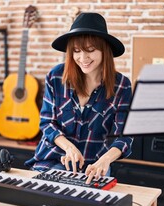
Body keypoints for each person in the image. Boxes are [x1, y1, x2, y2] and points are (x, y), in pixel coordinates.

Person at [24, 12, 133, 184]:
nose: (82, 58)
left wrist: (105, 160)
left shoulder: (122, 86)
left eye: (90, 50)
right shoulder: (56, 76)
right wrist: (69, 147)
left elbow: (124, 136)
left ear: (104, 50)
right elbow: (47, 122)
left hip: (95, 166)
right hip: (53, 159)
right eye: (76, 51)